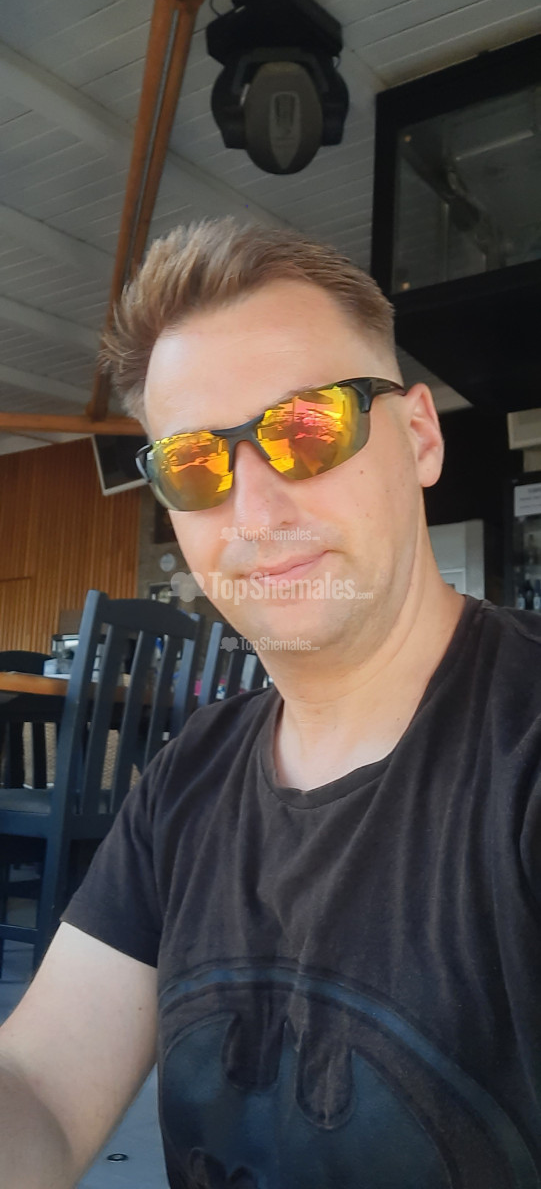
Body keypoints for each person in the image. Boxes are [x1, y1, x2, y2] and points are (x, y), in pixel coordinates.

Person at [1, 218, 540, 1189]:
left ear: (418, 436)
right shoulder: (186, 779)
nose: (253, 515)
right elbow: (38, 1083)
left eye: (307, 429)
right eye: (194, 465)